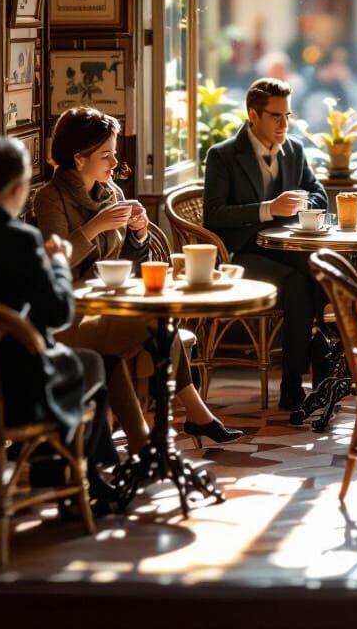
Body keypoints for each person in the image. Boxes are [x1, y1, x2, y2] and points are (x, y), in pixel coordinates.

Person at [34, 107, 241, 449]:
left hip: (112, 302)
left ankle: (149, 434)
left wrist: (139, 233)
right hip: (71, 313)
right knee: (158, 329)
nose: (114, 164)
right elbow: (55, 262)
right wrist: (95, 226)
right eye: (106, 155)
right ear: (79, 158)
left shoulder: (110, 192)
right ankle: (182, 421)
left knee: (159, 328)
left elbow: (129, 264)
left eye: (114, 154)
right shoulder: (50, 199)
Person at [0, 135, 116, 508]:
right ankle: (77, 482)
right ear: (17, 187)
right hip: (13, 391)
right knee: (95, 363)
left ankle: (65, 473)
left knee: (78, 361)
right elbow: (58, 313)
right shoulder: (20, 239)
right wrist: (60, 262)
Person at [203, 77, 329, 411]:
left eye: (288, 115)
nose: (284, 124)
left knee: (325, 271)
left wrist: (301, 202)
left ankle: (322, 367)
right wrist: (268, 209)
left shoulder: (294, 150)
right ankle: (297, 380)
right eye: (276, 116)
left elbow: (320, 196)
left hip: (285, 250)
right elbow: (213, 215)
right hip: (240, 254)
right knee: (300, 283)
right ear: (253, 114)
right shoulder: (223, 156)